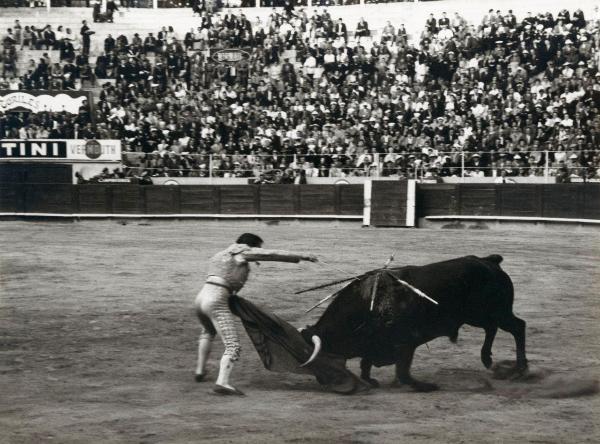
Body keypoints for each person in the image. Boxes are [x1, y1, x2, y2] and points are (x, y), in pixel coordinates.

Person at [194, 233, 318, 396]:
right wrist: (303, 256)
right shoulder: (242, 252)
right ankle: (222, 382)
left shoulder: (219, 255)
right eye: (258, 247)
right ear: (252, 246)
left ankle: (199, 371)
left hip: (201, 297)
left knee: (208, 332)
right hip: (217, 299)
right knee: (233, 345)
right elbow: (272, 255)